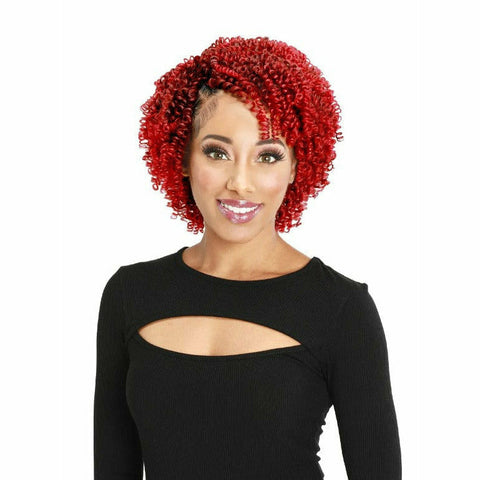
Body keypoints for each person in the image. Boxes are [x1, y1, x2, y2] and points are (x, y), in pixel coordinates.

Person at [93, 36, 402, 479]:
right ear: (182, 154)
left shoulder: (340, 308)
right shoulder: (129, 294)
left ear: (296, 167)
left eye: (267, 156)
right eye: (217, 152)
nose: (240, 182)